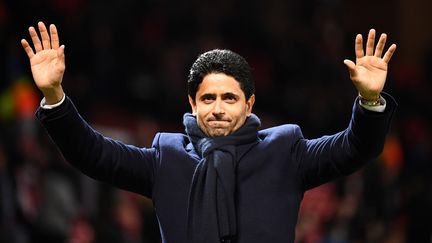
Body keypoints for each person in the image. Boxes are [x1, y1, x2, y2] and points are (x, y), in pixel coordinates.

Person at [21, 21, 397, 243]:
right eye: (209, 98)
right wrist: (54, 95)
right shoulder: (165, 157)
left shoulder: (285, 150)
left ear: (249, 104)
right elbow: (93, 153)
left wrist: (368, 100)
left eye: (229, 98)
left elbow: (355, 148)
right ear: (193, 103)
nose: (218, 108)